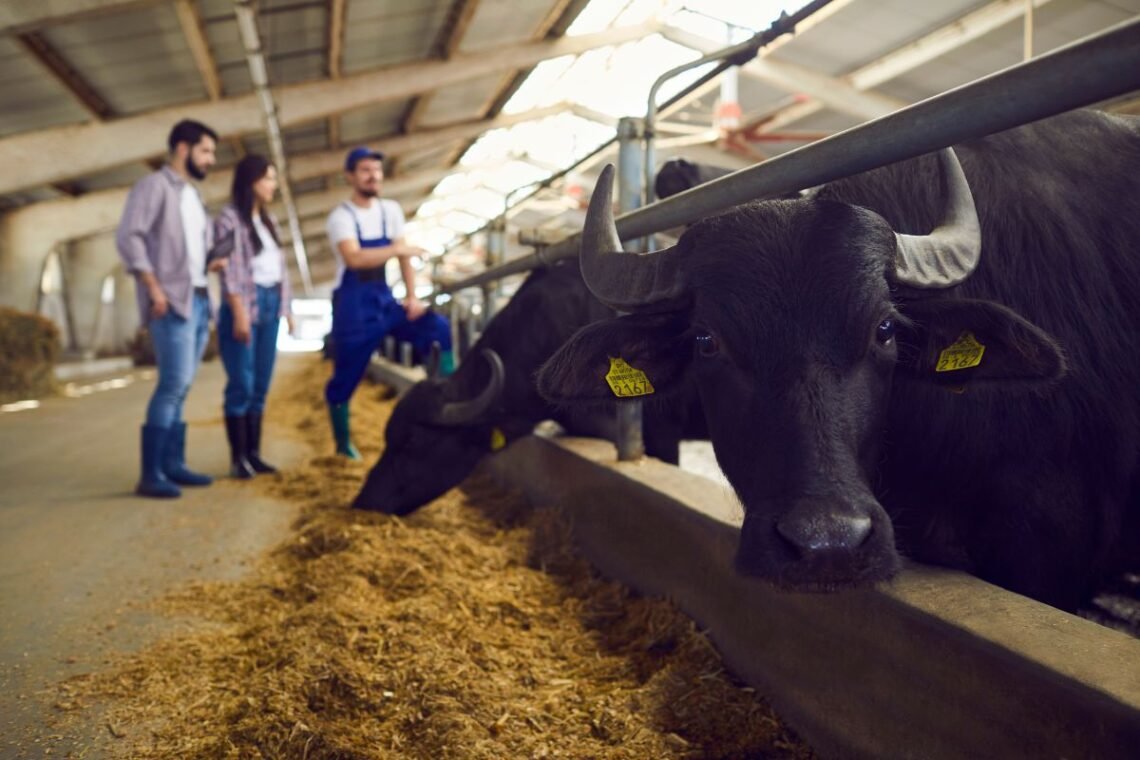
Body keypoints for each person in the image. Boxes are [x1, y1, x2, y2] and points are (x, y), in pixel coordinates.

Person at [324, 146, 454, 459]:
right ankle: (343, 445)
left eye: (377, 171)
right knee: (346, 375)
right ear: (350, 176)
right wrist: (400, 251)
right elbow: (354, 258)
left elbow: (403, 256)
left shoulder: (390, 210)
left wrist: (412, 297)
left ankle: (448, 398)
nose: (374, 176)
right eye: (366, 170)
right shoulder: (341, 216)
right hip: (353, 306)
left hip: (383, 298)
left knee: (437, 327)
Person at [116, 119, 222, 498]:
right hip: (170, 300)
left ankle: (173, 465)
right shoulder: (154, 186)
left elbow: (188, 250)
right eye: (206, 151)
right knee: (173, 383)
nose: (210, 159)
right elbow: (130, 236)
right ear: (183, 148)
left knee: (184, 384)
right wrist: (153, 288)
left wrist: (213, 261)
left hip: (196, 295)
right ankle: (150, 475)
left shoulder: (193, 195)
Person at [209, 155, 295, 478]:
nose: (273, 184)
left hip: (271, 302)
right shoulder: (229, 219)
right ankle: (238, 459)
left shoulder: (270, 222)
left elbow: (280, 269)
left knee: (261, 382)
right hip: (245, 304)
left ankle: (254, 455)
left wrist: (287, 310)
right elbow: (227, 267)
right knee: (241, 382)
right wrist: (238, 311)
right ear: (251, 182)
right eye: (268, 178)